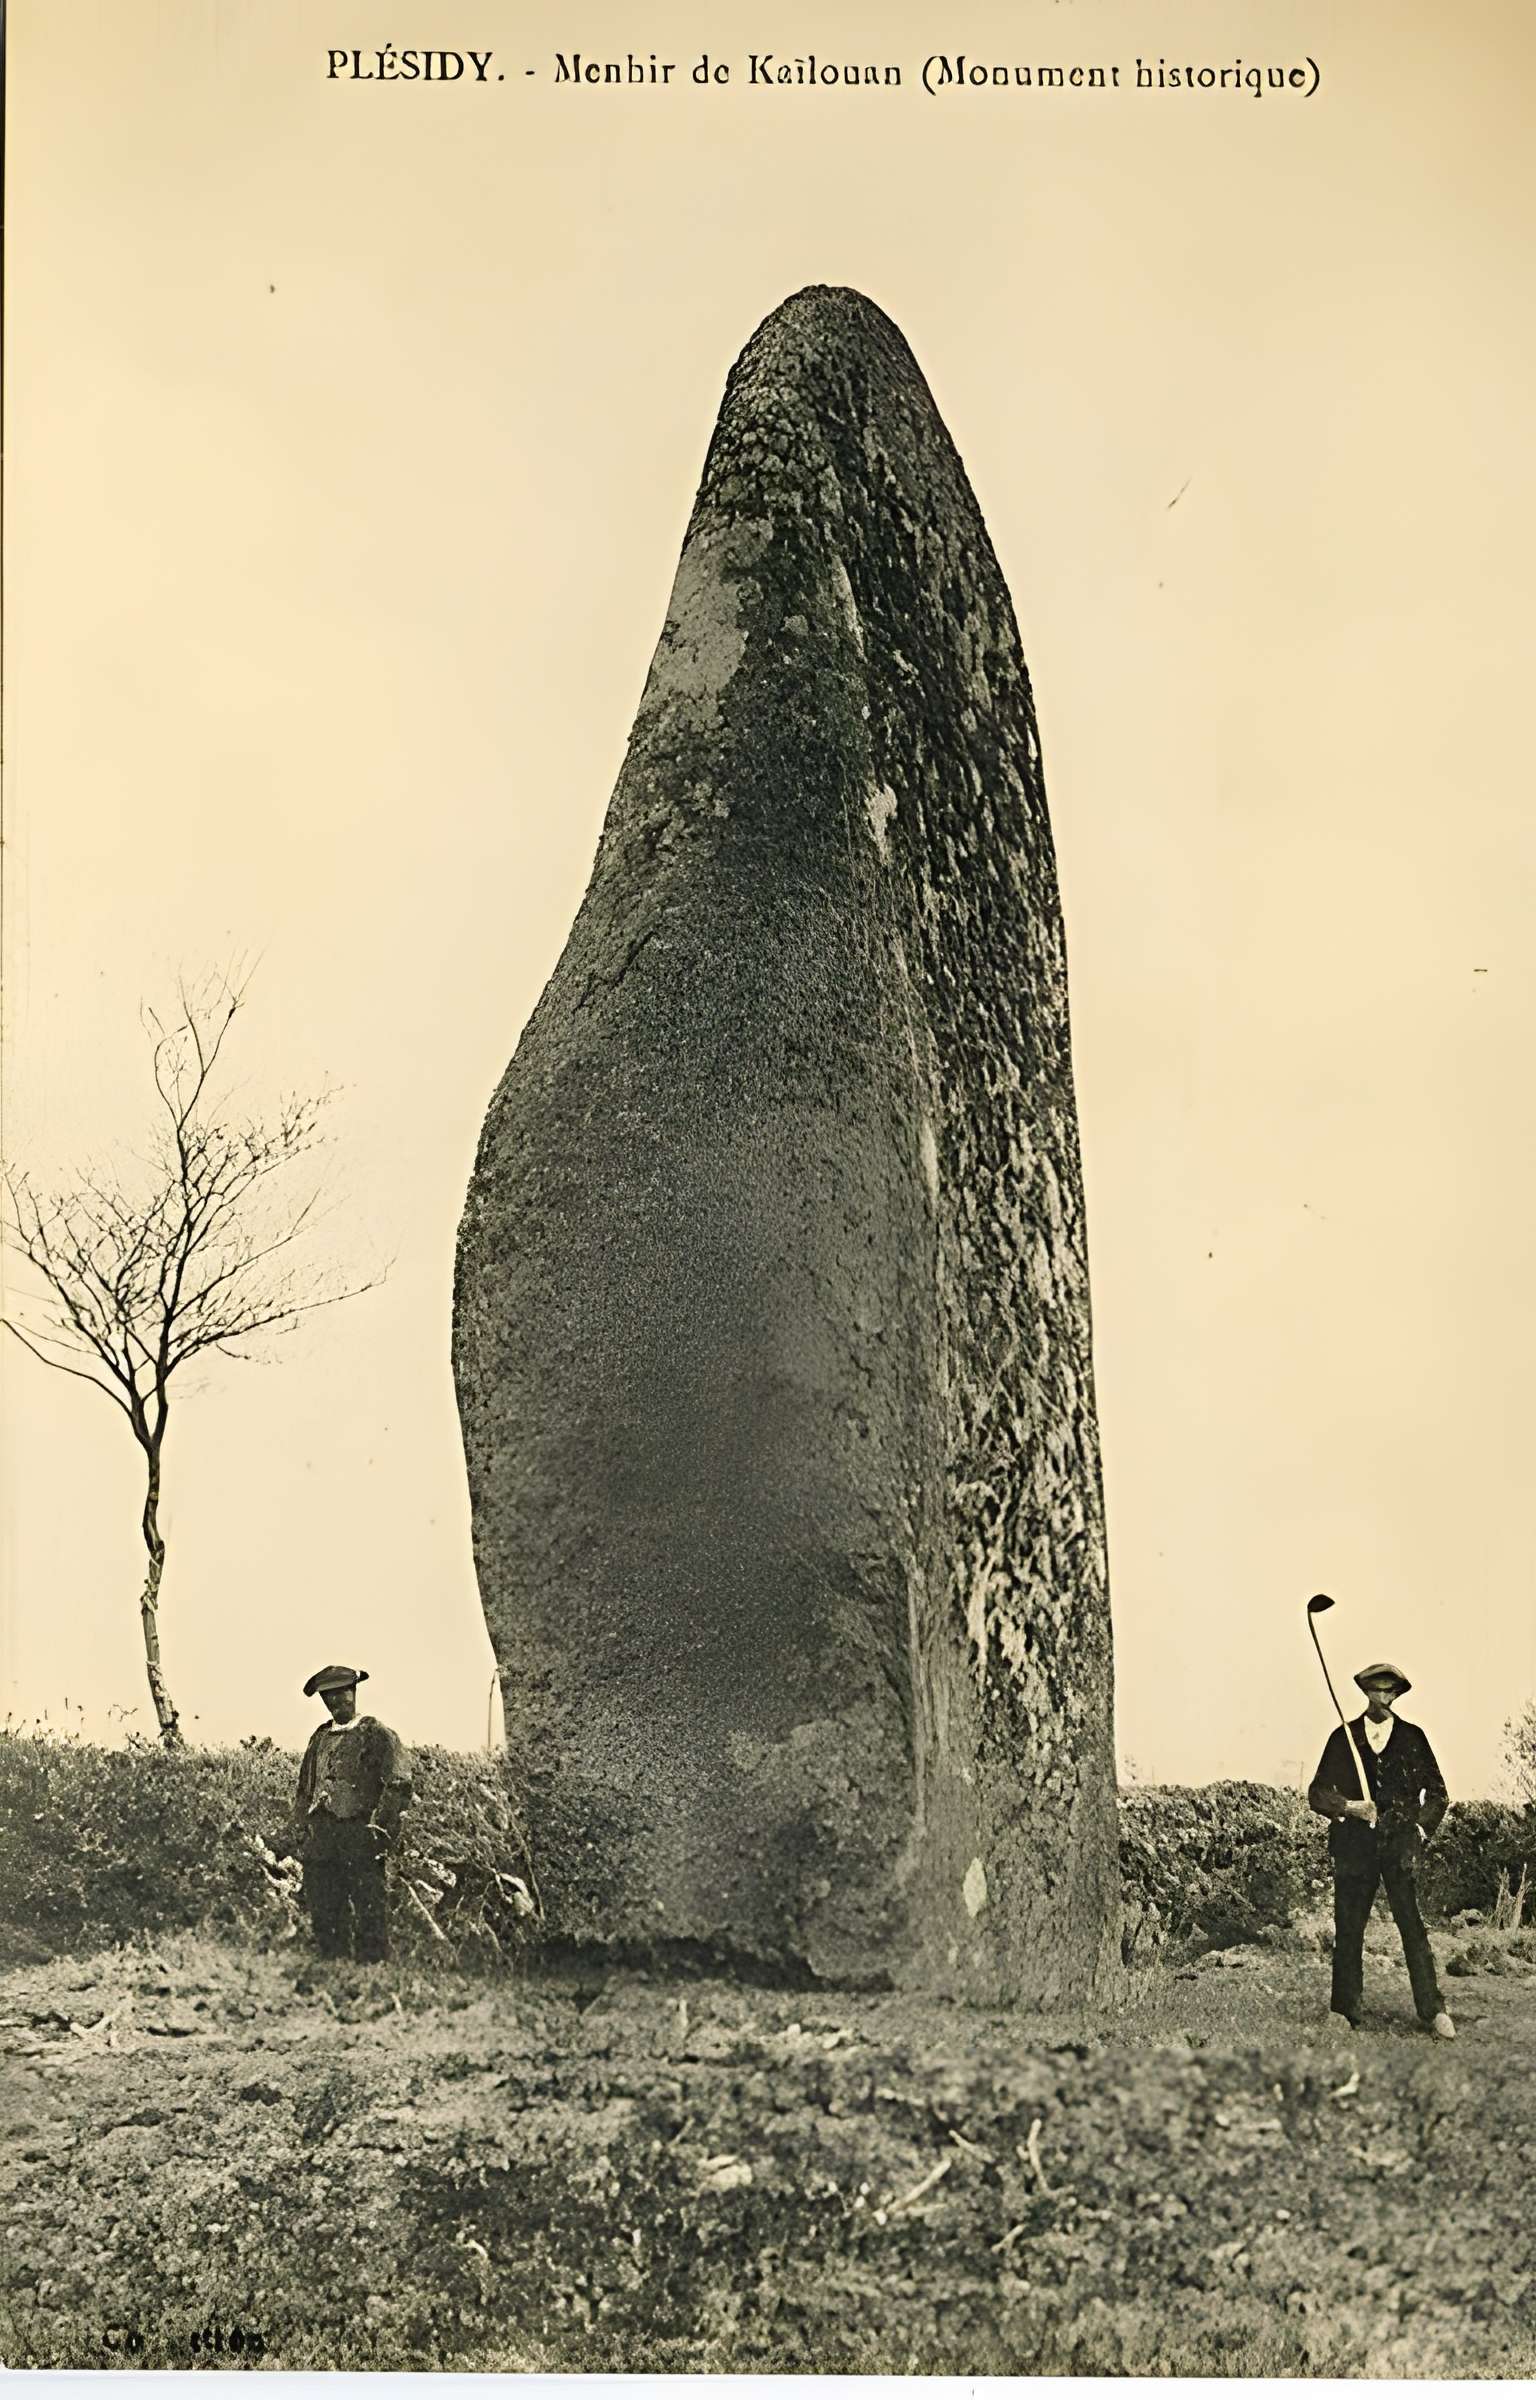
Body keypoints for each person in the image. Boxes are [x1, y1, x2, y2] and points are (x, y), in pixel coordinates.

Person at [1307, 1660, 1454, 2038]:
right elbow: (1317, 1793)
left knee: (1411, 1926)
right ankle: (1344, 2011)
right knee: (1349, 1926)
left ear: (1397, 1694)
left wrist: (1419, 1829)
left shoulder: (1413, 1738)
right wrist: (1349, 1807)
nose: (1383, 1696)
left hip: (1400, 1847)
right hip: (1353, 1848)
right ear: (1366, 1692)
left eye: (1390, 1690)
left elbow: (1438, 1794)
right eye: (1377, 1689)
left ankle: (1433, 2011)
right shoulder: (1344, 1738)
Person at [293, 1665, 413, 1963]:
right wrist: (301, 1826)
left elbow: (398, 1783)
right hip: (322, 1832)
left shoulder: (376, 1734)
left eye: (340, 1693)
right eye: (328, 1696)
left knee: (367, 1898)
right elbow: (305, 1787)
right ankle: (333, 1960)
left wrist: (380, 1829)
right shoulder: (320, 1737)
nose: (335, 1701)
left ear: (353, 1692)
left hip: (359, 1830)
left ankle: (371, 1963)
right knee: (323, 1897)